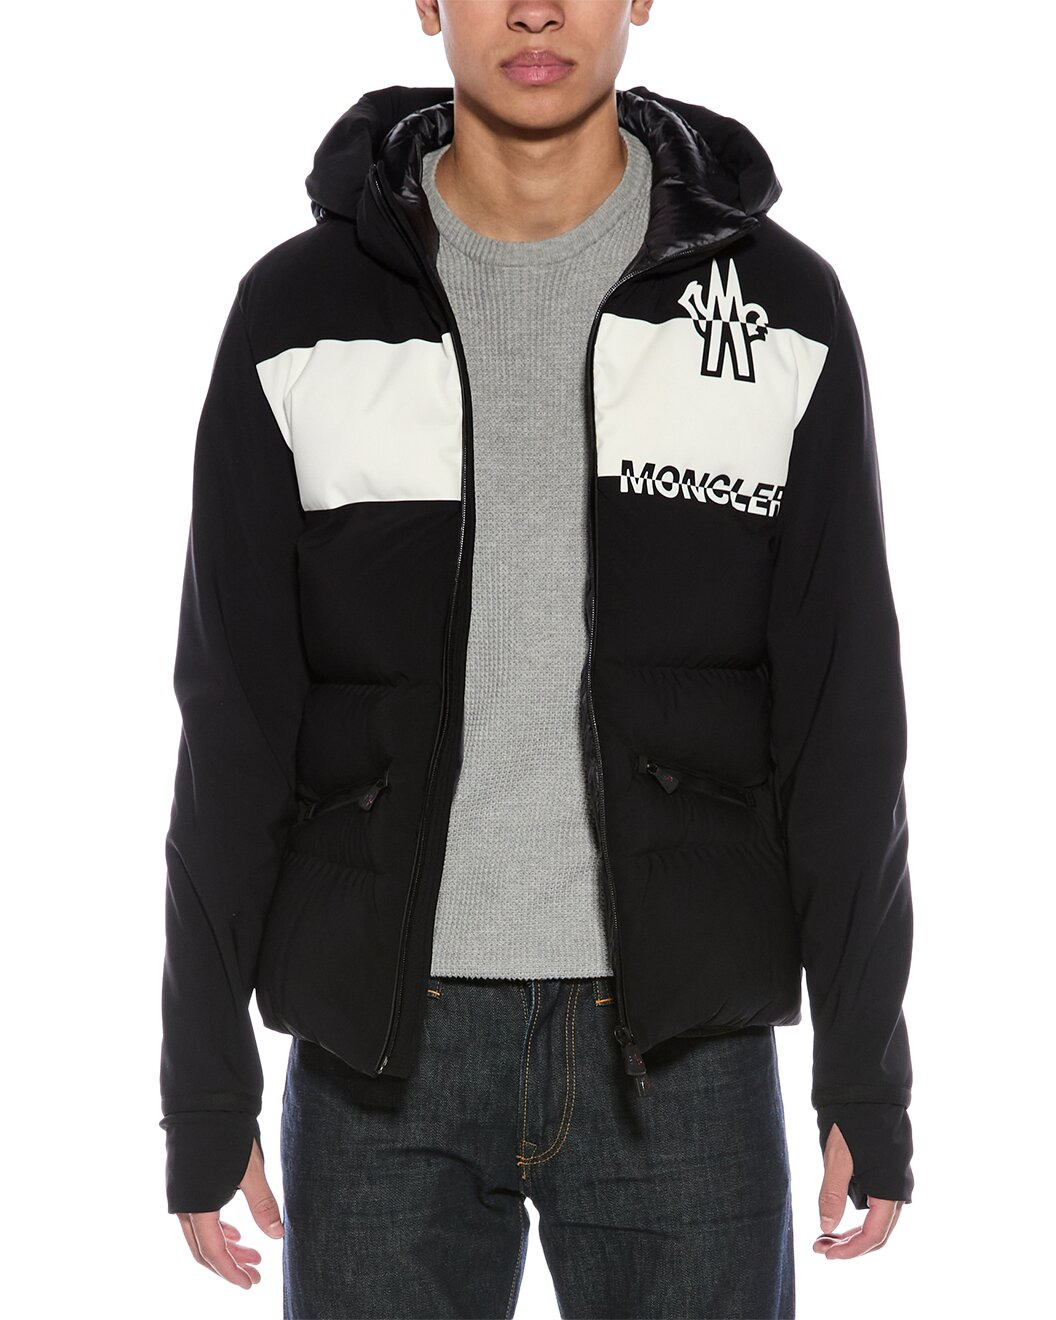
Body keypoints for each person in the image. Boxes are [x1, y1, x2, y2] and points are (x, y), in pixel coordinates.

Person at [158, 2, 915, 1316]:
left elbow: (843, 718)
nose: (535, 8)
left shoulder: (780, 311)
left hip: (682, 1052)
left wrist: (865, 1072)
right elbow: (234, 720)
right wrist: (205, 1085)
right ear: (426, 3)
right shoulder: (298, 315)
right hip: (380, 1055)